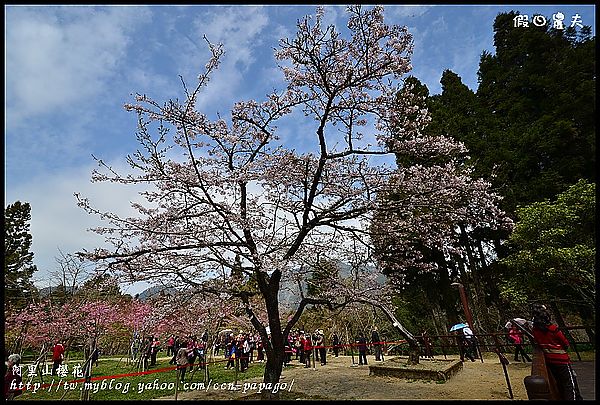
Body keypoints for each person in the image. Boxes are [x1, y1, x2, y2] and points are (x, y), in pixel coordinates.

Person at [531, 304, 583, 400]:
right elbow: (565, 343)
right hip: (562, 360)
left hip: (550, 360)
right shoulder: (553, 329)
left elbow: (538, 342)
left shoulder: (535, 331)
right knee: (569, 384)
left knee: (559, 382)